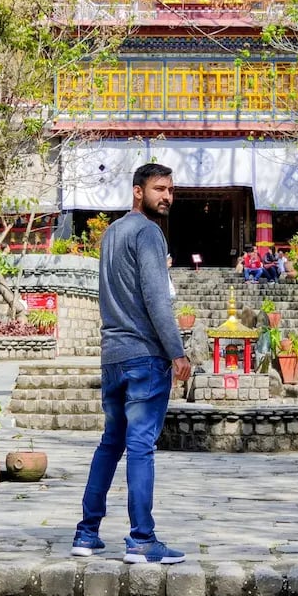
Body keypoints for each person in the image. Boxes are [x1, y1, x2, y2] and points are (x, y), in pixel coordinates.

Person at [71, 163, 191, 564]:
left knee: (111, 443)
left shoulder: (112, 233)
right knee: (140, 445)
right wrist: (177, 351)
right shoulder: (148, 232)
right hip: (144, 356)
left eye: (171, 189)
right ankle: (142, 539)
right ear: (138, 191)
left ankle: (86, 534)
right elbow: (157, 299)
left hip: (113, 356)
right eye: (160, 188)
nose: (167, 196)